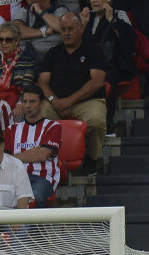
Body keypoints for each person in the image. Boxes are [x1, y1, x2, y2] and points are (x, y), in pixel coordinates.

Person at [36, 12, 104, 175]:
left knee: (96, 121)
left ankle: (92, 158)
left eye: (71, 29)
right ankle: (43, 161)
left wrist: (69, 101)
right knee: (38, 120)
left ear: (80, 28)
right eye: (63, 29)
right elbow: (42, 82)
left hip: (87, 102)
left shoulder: (93, 50)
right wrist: (54, 101)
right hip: (56, 102)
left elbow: (97, 81)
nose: (66, 33)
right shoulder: (53, 53)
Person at [8, 85, 60, 207]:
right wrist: (34, 151)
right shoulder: (12, 129)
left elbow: (42, 155)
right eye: (25, 102)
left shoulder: (53, 127)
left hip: (41, 178)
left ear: (42, 104)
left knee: (34, 197)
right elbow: (5, 158)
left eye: (32, 102)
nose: (27, 106)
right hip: (16, 179)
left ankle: (30, 227)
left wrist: (15, 157)